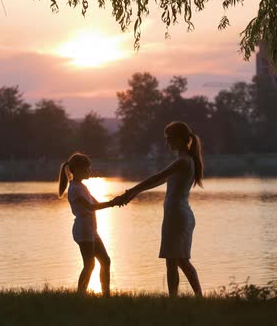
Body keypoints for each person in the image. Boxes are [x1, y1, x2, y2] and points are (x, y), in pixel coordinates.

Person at [119, 121, 204, 297]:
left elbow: (157, 176)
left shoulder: (183, 162)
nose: (168, 143)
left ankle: (176, 299)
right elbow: (158, 182)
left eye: (170, 138)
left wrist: (132, 190)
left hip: (176, 216)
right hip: (180, 214)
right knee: (181, 260)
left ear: (181, 139)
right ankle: (198, 297)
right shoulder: (185, 161)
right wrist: (135, 193)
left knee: (173, 261)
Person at [58, 152, 124, 297]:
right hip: (83, 230)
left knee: (105, 261)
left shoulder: (82, 187)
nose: (89, 171)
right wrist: (113, 203)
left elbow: (97, 203)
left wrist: (115, 201)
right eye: (87, 169)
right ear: (77, 170)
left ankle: (106, 295)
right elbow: (90, 207)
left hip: (91, 230)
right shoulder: (75, 189)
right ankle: (80, 295)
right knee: (89, 265)